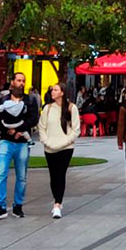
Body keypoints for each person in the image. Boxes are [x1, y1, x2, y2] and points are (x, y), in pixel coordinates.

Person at [0, 71, 39, 219]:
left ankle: (18, 206)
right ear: (12, 82)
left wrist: (19, 130)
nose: (21, 83)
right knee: (1, 173)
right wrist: (9, 130)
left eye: (23, 81)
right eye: (18, 80)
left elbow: (33, 119)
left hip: (22, 142)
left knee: (22, 176)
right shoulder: (3, 100)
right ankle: (1, 206)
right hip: (6, 141)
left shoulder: (29, 101)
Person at [37, 82, 80, 218]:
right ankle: (57, 198)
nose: (53, 92)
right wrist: (46, 141)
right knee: (53, 176)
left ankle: (57, 204)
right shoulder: (47, 109)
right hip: (49, 147)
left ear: (62, 92)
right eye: (52, 90)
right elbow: (41, 127)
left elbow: (75, 129)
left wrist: (65, 142)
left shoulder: (71, 108)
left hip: (65, 147)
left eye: (56, 90)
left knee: (61, 174)